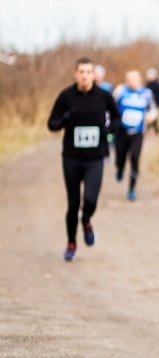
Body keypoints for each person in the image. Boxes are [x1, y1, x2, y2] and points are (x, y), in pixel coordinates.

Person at [47, 56, 120, 262]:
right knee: (72, 204)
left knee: (90, 199)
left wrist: (109, 131)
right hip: (71, 158)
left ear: (93, 75)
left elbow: (116, 118)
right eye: (81, 72)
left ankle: (86, 221)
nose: (85, 76)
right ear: (75, 74)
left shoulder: (104, 96)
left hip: (95, 158)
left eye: (89, 72)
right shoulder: (66, 96)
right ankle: (71, 243)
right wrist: (65, 119)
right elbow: (51, 124)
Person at [113, 70, 157, 201]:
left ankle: (132, 189)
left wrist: (151, 116)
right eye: (130, 79)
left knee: (135, 159)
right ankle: (119, 168)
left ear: (139, 80)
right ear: (126, 80)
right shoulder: (120, 92)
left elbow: (153, 109)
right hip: (121, 132)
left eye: (135, 79)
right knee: (120, 157)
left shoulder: (146, 93)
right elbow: (111, 106)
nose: (132, 82)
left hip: (137, 133)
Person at [145, 67, 159, 134]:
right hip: (148, 104)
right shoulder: (147, 84)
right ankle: (152, 130)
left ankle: (154, 130)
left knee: (154, 117)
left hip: (156, 103)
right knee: (150, 117)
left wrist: (156, 99)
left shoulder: (158, 84)